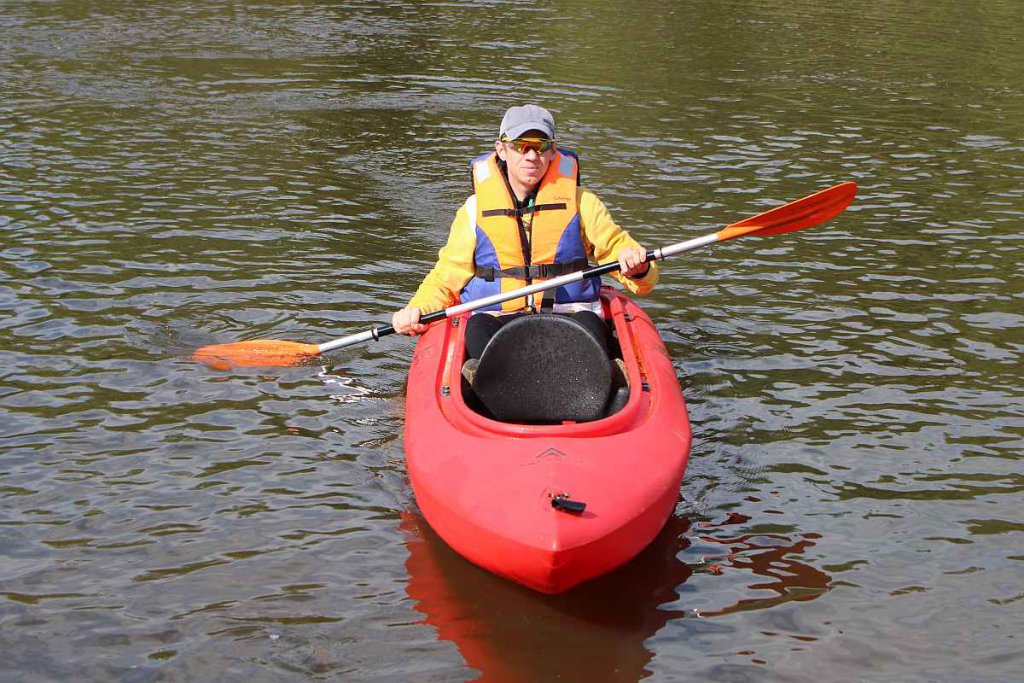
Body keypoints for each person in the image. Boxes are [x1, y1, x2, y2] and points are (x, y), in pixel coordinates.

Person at [391, 104, 658, 364]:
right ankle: (489, 382)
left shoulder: (582, 203)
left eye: (540, 146)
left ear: (553, 152)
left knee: (589, 325)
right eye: (521, 145)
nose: (532, 156)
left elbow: (631, 264)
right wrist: (417, 310)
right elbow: (446, 278)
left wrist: (637, 266)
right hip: (497, 319)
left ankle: (596, 380)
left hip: (570, 315)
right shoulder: (474, 210)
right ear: (501, 150)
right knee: (477, 327)